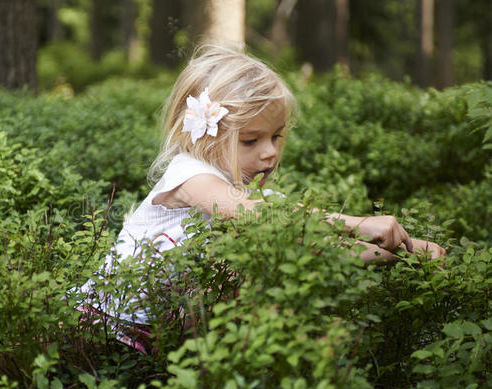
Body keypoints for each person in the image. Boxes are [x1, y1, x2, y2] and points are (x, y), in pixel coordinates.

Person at [74, 44, 445, 351]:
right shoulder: (189, 174)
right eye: (251, 140)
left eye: (277, 136)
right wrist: (358, 224)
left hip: (168, 339)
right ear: (203, 134)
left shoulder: (256, 196)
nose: (269, 153)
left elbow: (313, 248)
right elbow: (250, 215)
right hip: (106, 327)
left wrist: (403, 251)